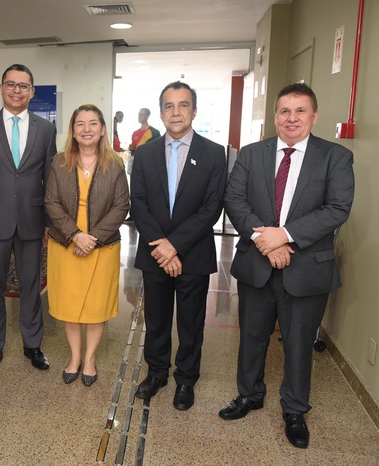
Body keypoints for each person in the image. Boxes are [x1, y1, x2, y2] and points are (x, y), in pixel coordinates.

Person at [220, 83, 354, 449]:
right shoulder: (251, 154)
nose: (291, 118)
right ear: (275, 115)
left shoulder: (335, 157)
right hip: (258, 264)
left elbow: (337, 209)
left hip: (306, 267)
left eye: (300, 111)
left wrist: (286, 235)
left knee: (298, 343)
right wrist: (266, 241)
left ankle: (294, 409)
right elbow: (234, 199)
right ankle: (249, 395)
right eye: (284, 111)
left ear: (314, 115)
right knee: (251, 335)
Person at [131, 82, 227, 411]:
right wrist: (162, 247)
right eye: (169, 106)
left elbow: (211, 208)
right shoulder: (144, 153)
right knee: (156, 319)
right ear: (161, 113)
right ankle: (156, 373)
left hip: (193, 254)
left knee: (190, 322)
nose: (176, 112)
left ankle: (186, 379)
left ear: (194, 111)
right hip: (154, 253)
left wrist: (174, 245)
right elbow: (138, 204)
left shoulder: (214, 153)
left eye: (183, 105)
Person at [0, 64, 57, 376]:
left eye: (23, 85)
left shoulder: (46, 130)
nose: (17, 90)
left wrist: (49, 221)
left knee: (31, 286)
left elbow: (50, 179)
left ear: (32, 92)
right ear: (2, 88)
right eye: (11, 84)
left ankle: (33, 344)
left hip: (33, 221)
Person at [45, 104, 129, 386]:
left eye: (93, 123)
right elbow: (51, 203)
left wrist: (92, 237)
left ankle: (90, 359)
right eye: (80, 124)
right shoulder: (59, 162)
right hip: (66, 242)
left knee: (96, 305)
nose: (87, 129)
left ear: (103, 129)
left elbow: (121, 206)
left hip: (102, 245)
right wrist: (75, 235)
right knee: (69, 303)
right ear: (73, 131)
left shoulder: (116, 164)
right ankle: (75, 357)